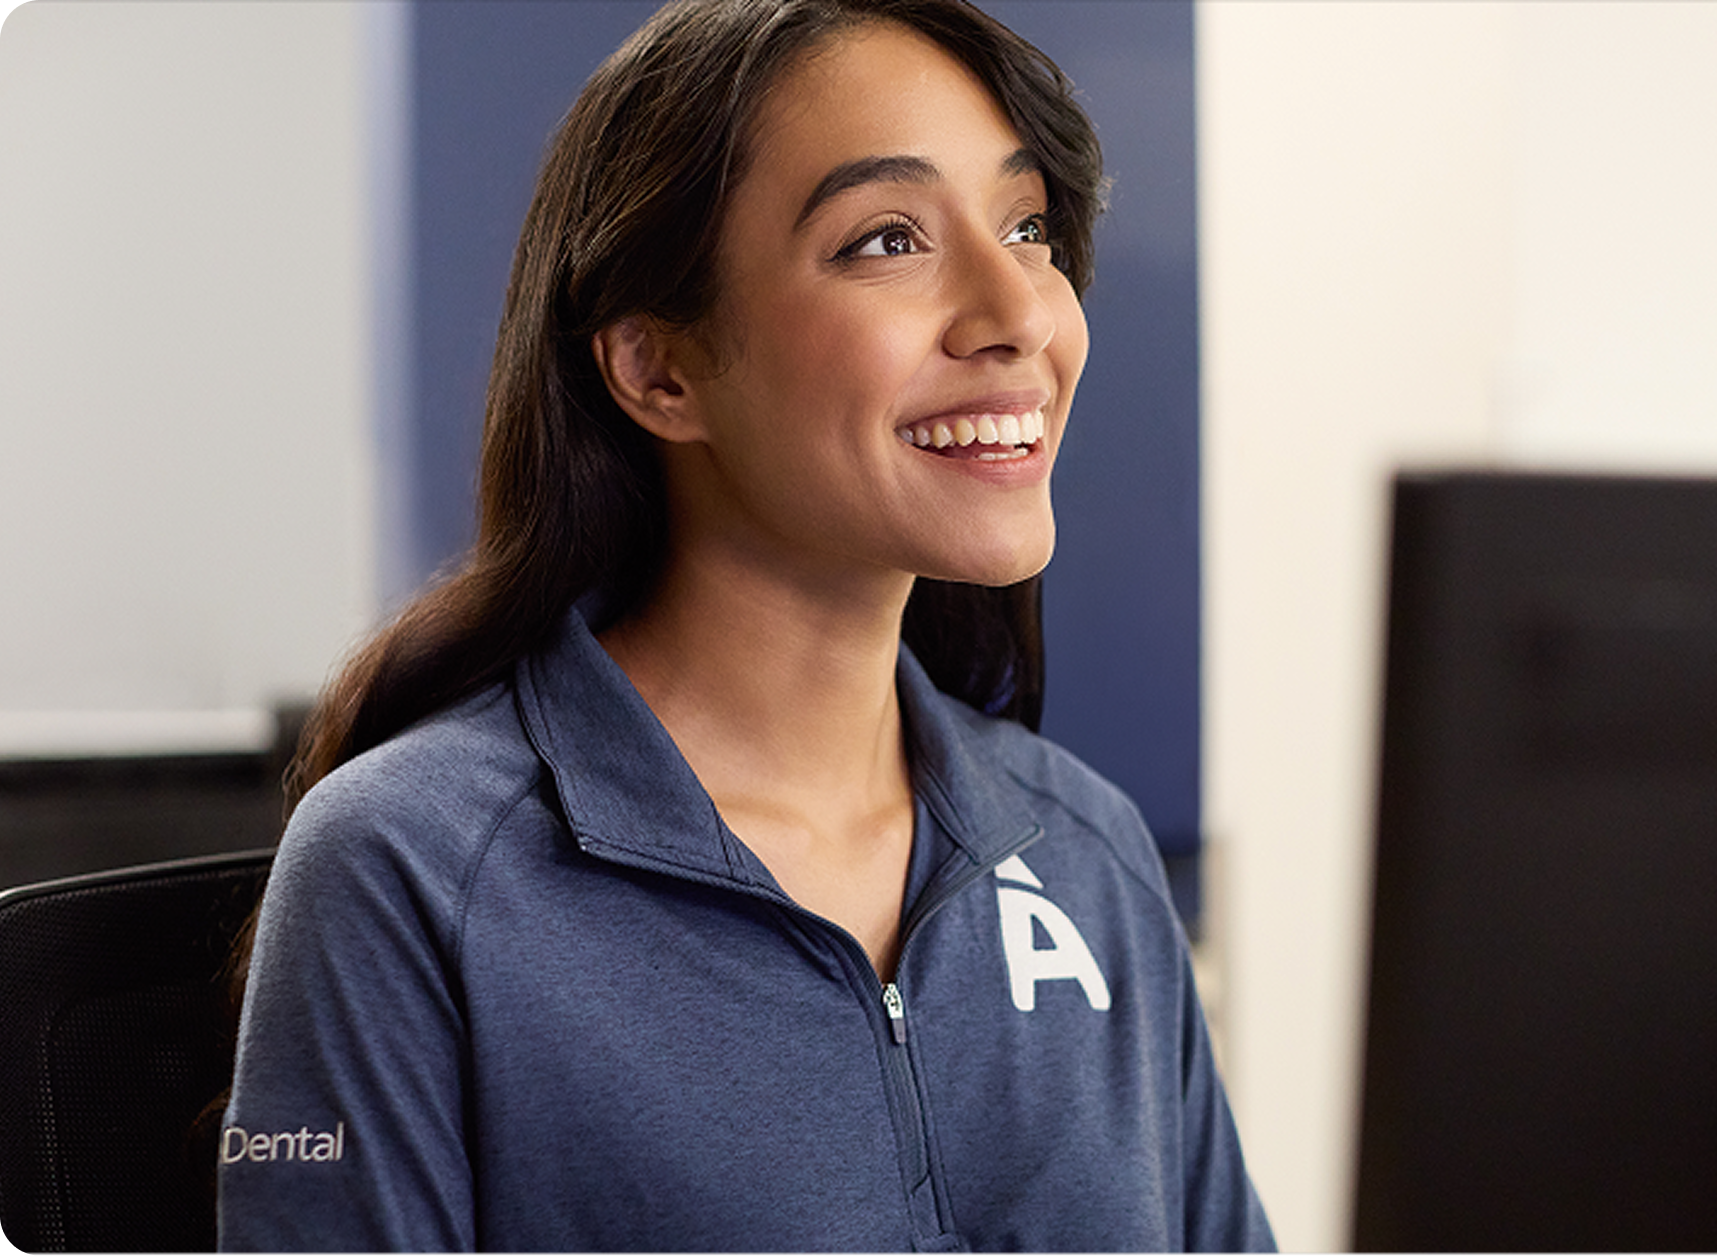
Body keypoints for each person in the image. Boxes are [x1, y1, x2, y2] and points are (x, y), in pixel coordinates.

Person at [216, 0, 1273, 1251]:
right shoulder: (411, 868)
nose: (1019, 314)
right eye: (887, 238)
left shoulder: (1087, 850)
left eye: (1027, 225)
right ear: (659, 369)